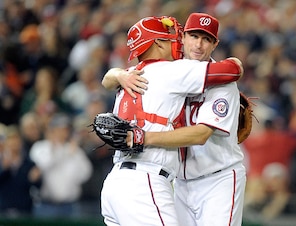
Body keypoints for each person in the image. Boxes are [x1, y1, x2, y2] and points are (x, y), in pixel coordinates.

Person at [102, 13, 246, 226]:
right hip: (176, 181)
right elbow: (107, 80)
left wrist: (143, 137)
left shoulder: (220, 83)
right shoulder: (168, 70)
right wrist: (118, 74)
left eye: (206, 39)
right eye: (194, 36)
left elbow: (201, 134)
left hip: (217, 178)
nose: (198, 44)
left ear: (215, 44)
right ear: (184, 37)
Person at [29, 112, 93, 218]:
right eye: (59, 129)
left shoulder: (74, 150)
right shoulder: (40, 147)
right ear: (51, 130)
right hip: (45, 205)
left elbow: (86, 174)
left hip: (69, 205)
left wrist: (73, 156)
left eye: (66, 129)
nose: (63, 132)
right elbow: (40, 169)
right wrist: (54, 149)